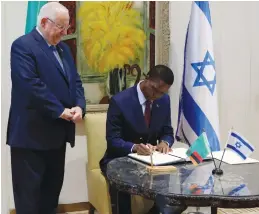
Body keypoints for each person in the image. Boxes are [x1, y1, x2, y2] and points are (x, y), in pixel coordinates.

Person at [6, 2, 86, 214]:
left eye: (67, 27)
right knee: (29, 200)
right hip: (30, 137)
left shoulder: (64, 49)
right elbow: (30, 85)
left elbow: (75, 81)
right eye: (61, 26)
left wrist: (79, 106)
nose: (65, 32)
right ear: (43, 22)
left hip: (57, 136)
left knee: (50, 197)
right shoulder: (23, 46)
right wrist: (60, 110)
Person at [100, 65, 187, 214]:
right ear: (147, 79)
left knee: (178, 191)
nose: (157, 95)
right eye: (155, 90)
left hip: (152, 160)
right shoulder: (120, 101)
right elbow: (113, 140)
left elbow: (167, 131)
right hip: (120, 159)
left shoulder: (164, 100)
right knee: (122, 184)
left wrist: (164, 143)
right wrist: (134, 147)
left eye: (162, 92)